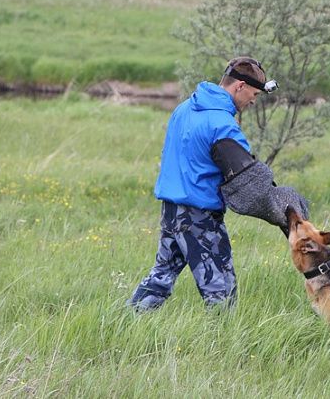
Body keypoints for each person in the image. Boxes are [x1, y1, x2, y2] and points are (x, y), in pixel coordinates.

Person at [127, 57, 308, 312]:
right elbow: (250, 184)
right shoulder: (222, 125)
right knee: (221, 290)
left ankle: (126, 320)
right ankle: (222, 348)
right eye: (254, 94)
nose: (254, 100)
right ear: (240, 86)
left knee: (161, 276)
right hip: (200, 217)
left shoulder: (184, 109)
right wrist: (289, 214)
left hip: (171, 210)